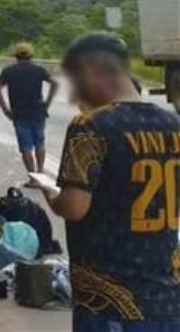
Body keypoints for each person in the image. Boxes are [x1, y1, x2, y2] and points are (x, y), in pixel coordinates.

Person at [43, 33, 180, 331]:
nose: (74, 98)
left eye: (76, 83)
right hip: (169, 300)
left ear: (91, 69)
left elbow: (74, 208)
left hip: (109, 306)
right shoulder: (173, 124)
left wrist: (50, 194)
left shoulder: (91, 126)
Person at [0, 42, 59, 176]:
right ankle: (40, 172)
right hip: (38, 112)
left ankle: (33, 176)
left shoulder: (9, 71)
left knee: (26, 148)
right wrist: (47, 102)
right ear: (31, 56)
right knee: (39, 144)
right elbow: (55, 83)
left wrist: (5, 109)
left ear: (16, 56)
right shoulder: (39, 70)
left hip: (19, 114)